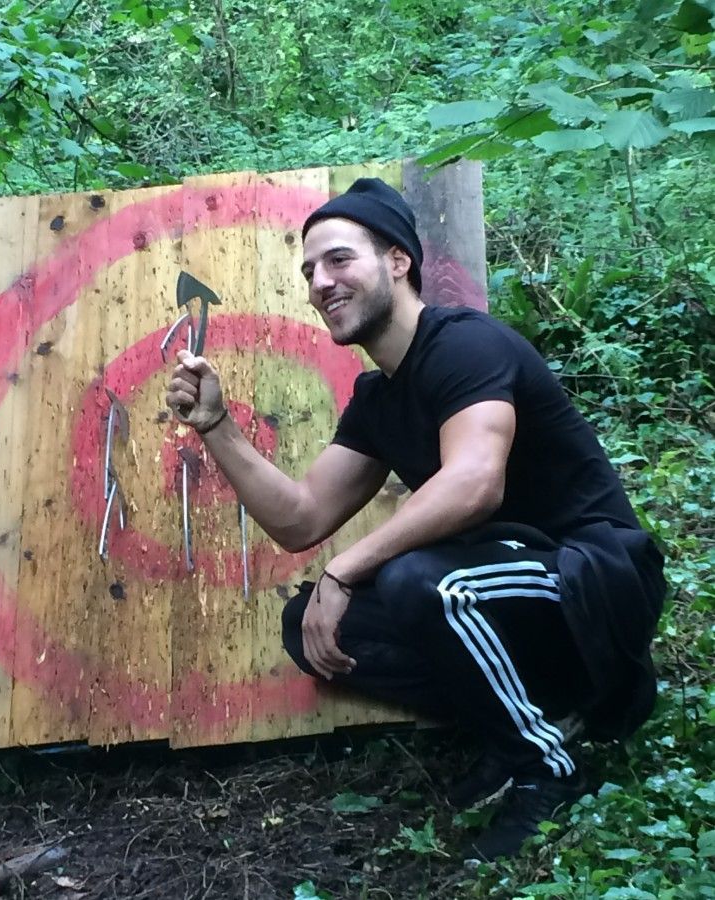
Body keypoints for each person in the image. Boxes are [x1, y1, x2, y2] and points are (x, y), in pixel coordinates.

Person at [165, 178, 665, 859]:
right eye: (309, 269)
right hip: (508, 588)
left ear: (398, 261)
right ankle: (522, 720)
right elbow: (300, 519)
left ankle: (546, 763)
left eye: (339, 259)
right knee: (309, 625)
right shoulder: (378, 398)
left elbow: (474, 484)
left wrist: (346, 568)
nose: (319, 282)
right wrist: (216, 425)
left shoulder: (464, 346)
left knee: (420, 582)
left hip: (595, 581)